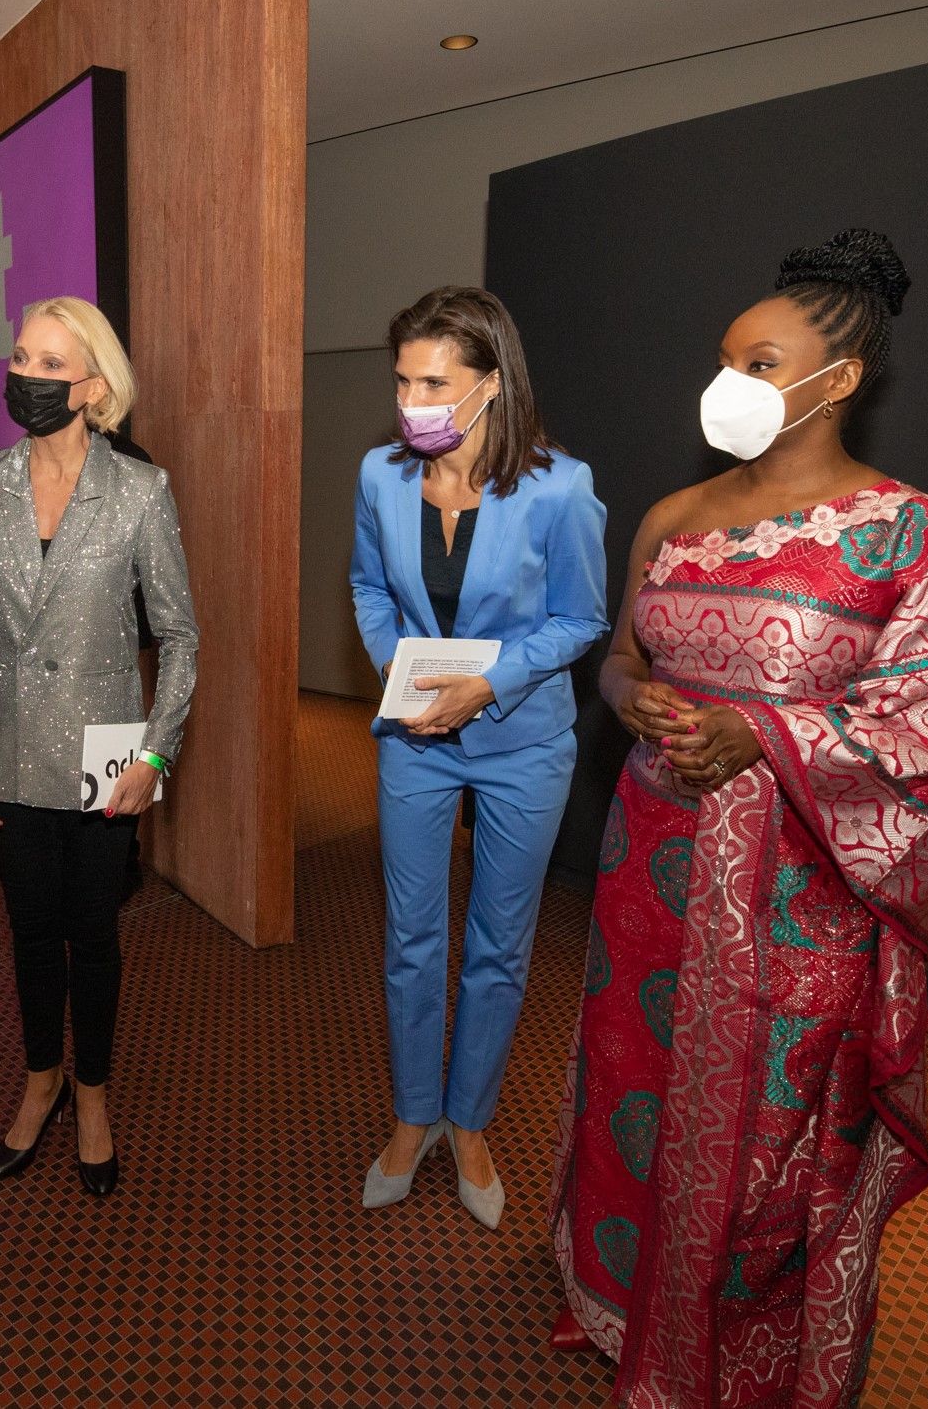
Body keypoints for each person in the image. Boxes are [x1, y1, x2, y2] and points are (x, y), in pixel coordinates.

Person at [549, 230, 928, 1405]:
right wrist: (629, 693)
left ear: (837, 380)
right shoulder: (672, 514)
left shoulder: (910, 538)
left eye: (760, 362)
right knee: (632, 1082)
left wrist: (764, 733)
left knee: (765, 1129)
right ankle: (613, 1301)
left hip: (797, 893)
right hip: (647, 862)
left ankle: (734, 1352)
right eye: (725, 359)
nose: (729, 383)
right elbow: (616, 660)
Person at [0, 296, 198, 1197]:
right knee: (31, 933)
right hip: (0, 748)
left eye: (49, 363)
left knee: (95, 931)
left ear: (92, 385)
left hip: (104, 752)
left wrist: (156, 757)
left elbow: (182, 637)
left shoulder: (140, 491)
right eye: (20, 356)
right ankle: (39, 1079)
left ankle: (91, 1095)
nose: (25, 376)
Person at [349, 286, 608, 1230]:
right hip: (415, 740)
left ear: (490, 385)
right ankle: (414, 1116)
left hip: (520, 745)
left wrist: (490, 681)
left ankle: (470, 1122)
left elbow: (582, 619)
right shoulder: (382, 475)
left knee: (498, 949)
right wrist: (398, 668)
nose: (414, 397)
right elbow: (368, 587)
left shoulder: (559, 488)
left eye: (435, 380)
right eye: (403, 378)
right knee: (411, 940)